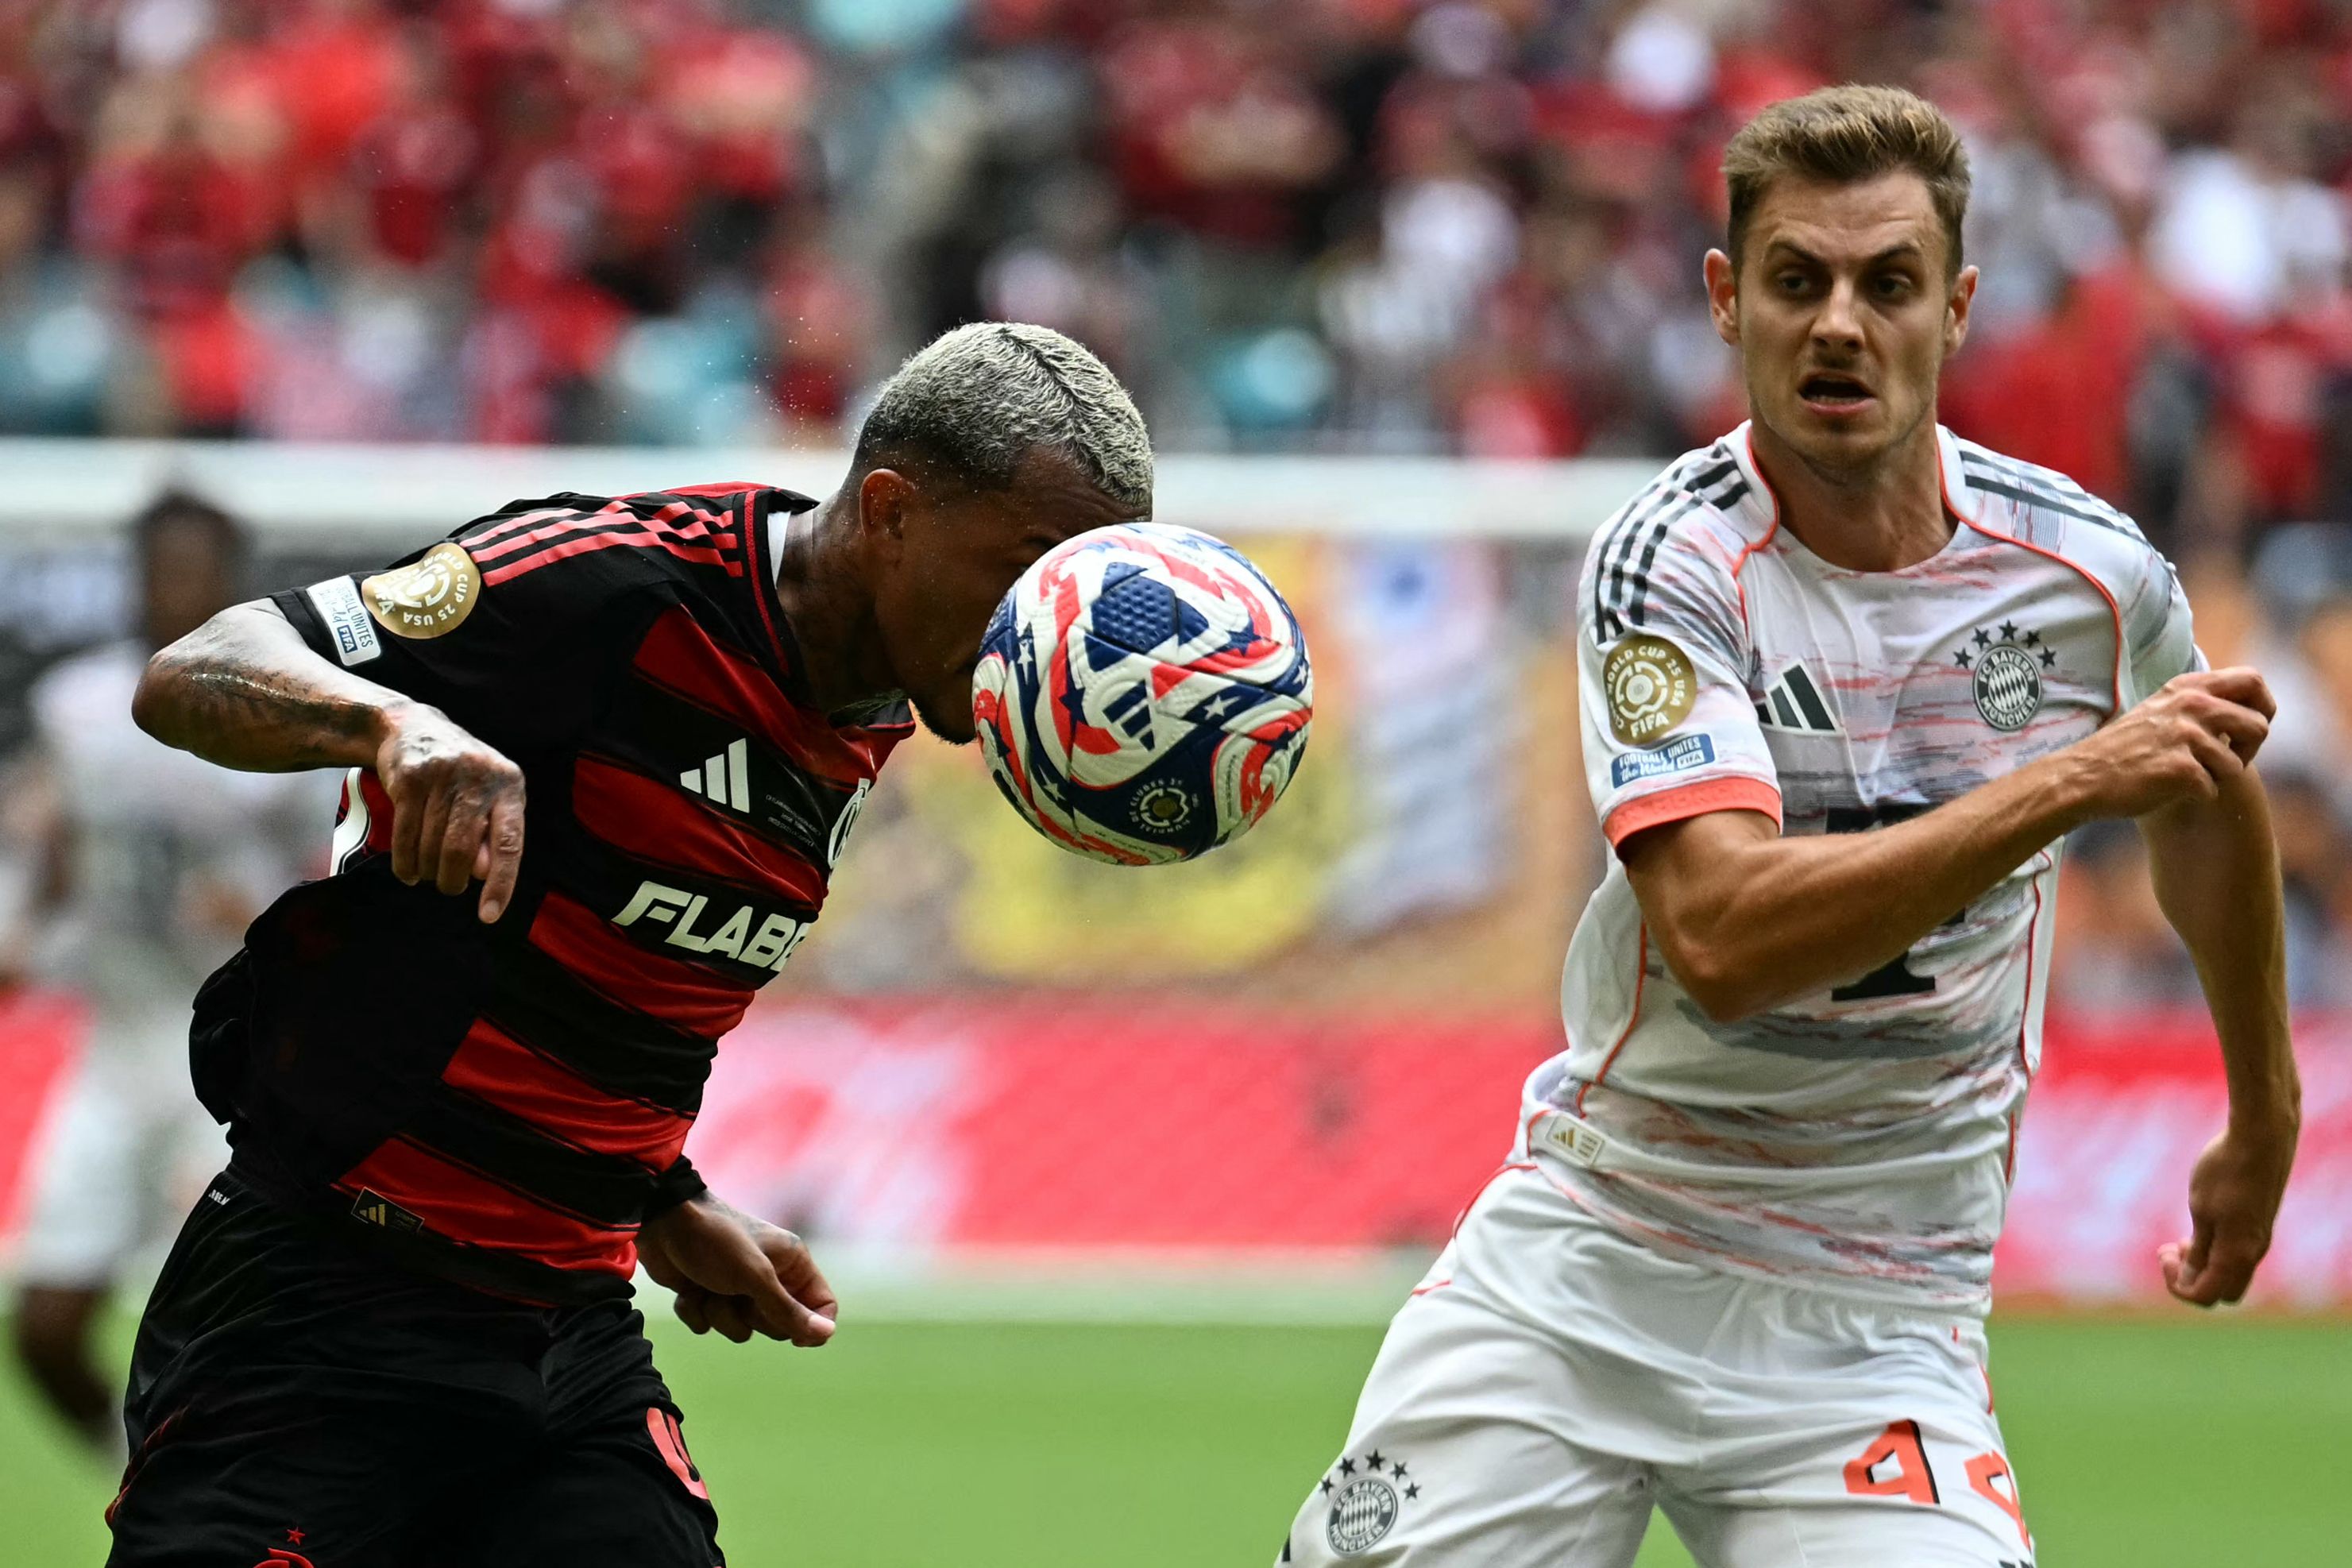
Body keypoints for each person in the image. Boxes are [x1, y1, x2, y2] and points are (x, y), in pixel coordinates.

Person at [1279, 87, 2298, 1567]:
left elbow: (2203, 788)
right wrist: (2066, 784)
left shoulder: (2091, 576)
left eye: (1887, 284)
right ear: (1723, 298)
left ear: (1952, 311)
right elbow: (1724, 935)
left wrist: (2263, 1111)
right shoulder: (1668, 559)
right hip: (1596, 1256)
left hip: (1879, 1316)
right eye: (1796, 279)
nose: (1839, 323)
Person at [114, 322, 1151, 1566]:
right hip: (323, 1301)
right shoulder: (606, 586)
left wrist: (666, 1194)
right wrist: (395, 726)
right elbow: (193, 668)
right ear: (889, 511)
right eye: (1025, 573)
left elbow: (595, 953)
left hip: (569, 1331)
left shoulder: (884, 696)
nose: (1044, 631)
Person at [6, 493, 322, 1454]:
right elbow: (59, 850)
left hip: (229, 1060)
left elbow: (336, 883)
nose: (172, 585)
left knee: (229, 1323)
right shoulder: (79, 703)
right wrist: (25, 935)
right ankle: (137, 1480)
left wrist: (264, 918)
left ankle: (286, 1510)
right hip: (115, 1044)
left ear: (230, 577)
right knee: (46, 1327)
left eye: (192, 567)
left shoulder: (294, 707)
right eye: (157, 565)